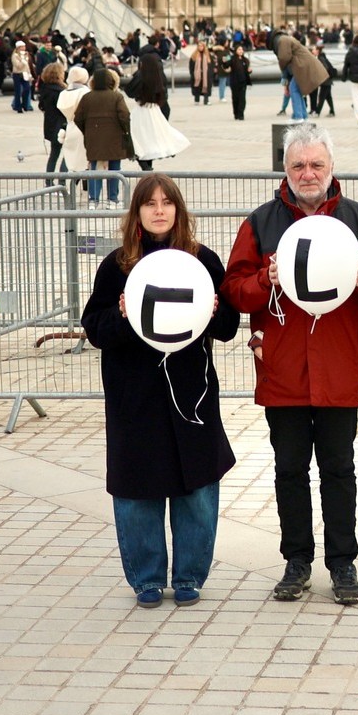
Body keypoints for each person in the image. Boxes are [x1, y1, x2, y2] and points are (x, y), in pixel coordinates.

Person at [223, 122, 358, 605]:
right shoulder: (260, 222)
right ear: (285, 169)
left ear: (332, 167)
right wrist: (265, 277)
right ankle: (296, 562)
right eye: (299, 165)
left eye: (317, 164)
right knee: (290, 469)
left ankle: (343, 564)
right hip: (284, 370)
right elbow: (234, 290)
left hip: (338, 368)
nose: (308, 173)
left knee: (339, 470)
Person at [81, 173, 242, 607]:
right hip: (135, 395)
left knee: (197, 488)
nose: (158, 210)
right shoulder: (116, 265)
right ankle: (147, 578)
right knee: (138, 490)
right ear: (136, 212)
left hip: (192, 394)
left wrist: (213, 311)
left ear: (178, 209)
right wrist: (122, 315)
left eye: (166, 203)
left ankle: (189, 575)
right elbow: (94, 329)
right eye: (149, 203)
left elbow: (229, 327)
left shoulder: (202, 260)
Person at [73, 66, 132, 205]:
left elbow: (78, 118)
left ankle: (94, 199)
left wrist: (87, 130)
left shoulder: (87, 97)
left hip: (94, 139)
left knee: (95, 169)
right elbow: (125, 115)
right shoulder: (116, 96)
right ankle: (112, 199)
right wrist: (125, 130)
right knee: (115, 169)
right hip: (114, 138)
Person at [38, 60, 68, 174]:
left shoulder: (45, 89)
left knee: (54, 155)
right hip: (62, 125)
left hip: (50, 126)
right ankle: (62, 180)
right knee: (68, 154)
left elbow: (42, 106)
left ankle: (49, 181)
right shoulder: (60, 91)